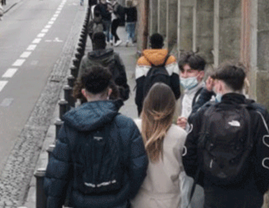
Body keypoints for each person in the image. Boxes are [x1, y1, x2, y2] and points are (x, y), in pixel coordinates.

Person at [45, 66, 148, 208]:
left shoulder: (70, 127)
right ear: (110, 92)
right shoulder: (126, 125)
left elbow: (58, 174)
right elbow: (138, 166)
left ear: (84, 93)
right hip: (117, 202)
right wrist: (125, 193)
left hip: (80, 201)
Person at [182, 63, 269, 208]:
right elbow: (267, 154)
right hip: (249, 193)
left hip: (214, 192)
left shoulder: (204, 113)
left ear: (219, 86)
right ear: (242, 84)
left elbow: (188, 155)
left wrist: (207, 180)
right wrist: (259, 187)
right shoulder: (258, 114)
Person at [131, 83, 186, 208]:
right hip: (170, 201)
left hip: (139, 198)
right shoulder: (180, 136)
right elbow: (186, 168)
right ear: (171, 107)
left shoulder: (134, 127)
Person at [176, 53, 207, 208]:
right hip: (186, 152)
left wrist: (189, 123)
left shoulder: (206, 97)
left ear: (200, 74)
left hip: (196, 156)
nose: (184, 75)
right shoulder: (186, 95)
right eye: (182, 72)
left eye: (189, 72)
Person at [135, 33, 181, 115]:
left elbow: (140, 86)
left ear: (150, 44)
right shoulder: (171, 60)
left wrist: (140, 107)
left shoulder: (142, 61)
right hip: (166, 104)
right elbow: (176, 86)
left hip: (148, 105)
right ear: (162, 44)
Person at [78, 31, 130, 102]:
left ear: (93, 43)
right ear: (105, 43)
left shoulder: (86, 60)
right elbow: (123, 75)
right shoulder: (115, 57)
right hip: (111, 94)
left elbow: (80, 80)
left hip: (91, 96)